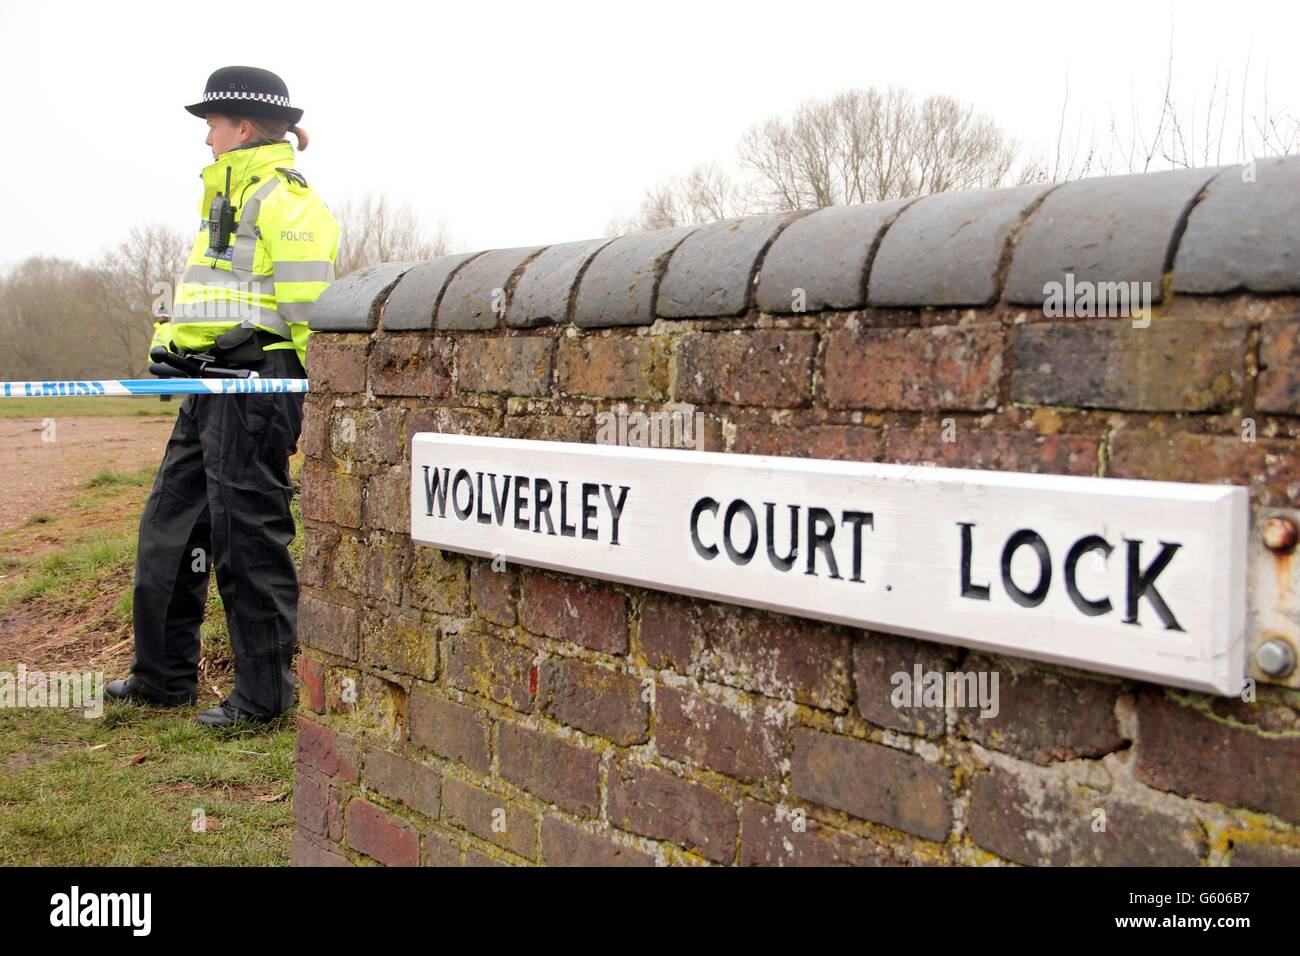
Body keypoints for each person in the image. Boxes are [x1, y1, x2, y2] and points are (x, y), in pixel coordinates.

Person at [106, 66, 341, 728]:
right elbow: (215, 297)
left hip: (254, 387)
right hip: (205, 383)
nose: (205, 139)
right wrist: (171, 345)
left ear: (240, 127)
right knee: (169, 529)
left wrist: (297, 391)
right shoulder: (225, 199)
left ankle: (266, 697)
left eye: (211, 126)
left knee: (246, 538)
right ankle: (162, 679)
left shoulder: (284, 200)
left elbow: (308, 311)